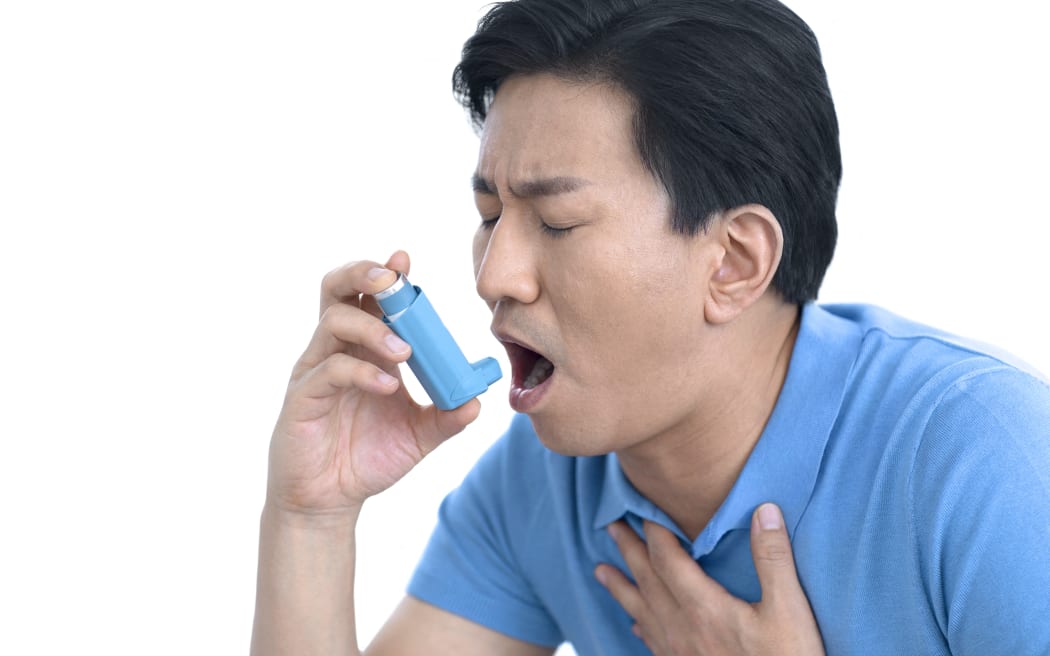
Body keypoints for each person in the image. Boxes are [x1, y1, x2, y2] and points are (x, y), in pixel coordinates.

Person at [250, 0, 1050, 654]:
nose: (494, 274)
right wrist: (312, 519)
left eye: (557, 222)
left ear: (734, 261)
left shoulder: (985, 456)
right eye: (489, 215)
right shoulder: (543, 480)